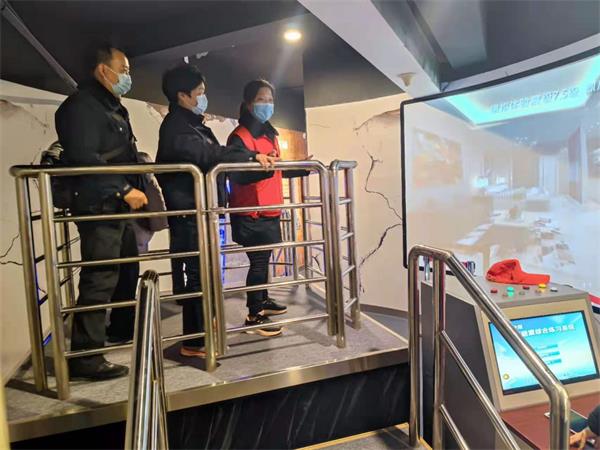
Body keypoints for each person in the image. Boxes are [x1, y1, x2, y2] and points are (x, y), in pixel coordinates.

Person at [156, 65, 276, 358]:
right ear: (183, 95)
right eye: (199, 92)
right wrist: (251, 156)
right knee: (198, 276)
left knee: (205, 273)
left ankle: (204, 330)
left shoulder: (190, 124)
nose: (203, 97)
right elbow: (209, 154)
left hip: (199, 211)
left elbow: (211, 153)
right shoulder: (177, 126)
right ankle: (195, 342)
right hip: (189, 213)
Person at [55, 44, 148, 380]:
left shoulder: (106, 105)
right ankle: (86, 357)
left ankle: (115, 332)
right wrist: (123, 189)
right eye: (123, 70)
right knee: (100, 276)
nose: (127, 77)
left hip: (113, 205)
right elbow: (84, 157)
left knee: (121, 271)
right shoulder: (81, 107)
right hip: (99, 204)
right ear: (103, 70)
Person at [227, 79, 309, 337]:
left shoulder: (269, 133)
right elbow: (237, 174)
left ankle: (262, 299)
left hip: (269, 209)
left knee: (264, 261)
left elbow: (276, 170)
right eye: (261, 99)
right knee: (259, 263)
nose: (267, 105)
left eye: (270, 100)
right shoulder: (240, 136)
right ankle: (254, 316)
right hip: (251, 212)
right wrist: (260, 165)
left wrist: (302, 167)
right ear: (249, 103)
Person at [131, 152, 168, 254]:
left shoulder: (125, 180)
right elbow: (156, 205)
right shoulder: (149, 181)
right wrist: (160, 224)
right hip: (142, 226)